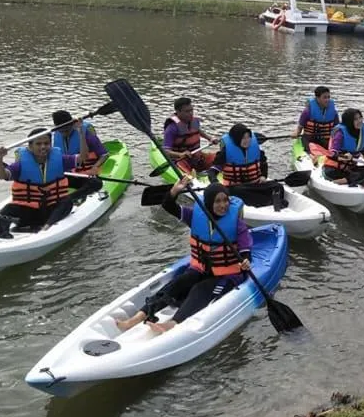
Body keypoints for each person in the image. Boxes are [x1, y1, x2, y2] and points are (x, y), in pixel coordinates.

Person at [115, 180, 252, 334]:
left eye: (225, 200)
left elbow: (246, 251)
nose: (223, 205)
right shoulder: (195, 216)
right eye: (218, 201)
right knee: (178, 283)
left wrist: (246, 261)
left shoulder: (237, 224)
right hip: (200, 269)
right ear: (208, 203)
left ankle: (171, 324)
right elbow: (169, 206)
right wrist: (174, 192)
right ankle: (136, 318)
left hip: (227, 276)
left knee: (199, 289)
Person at [0, 123, 104, 243]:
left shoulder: (60, 159)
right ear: (30, 146)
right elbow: (2, 175)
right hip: (30, 211)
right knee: (8, 209)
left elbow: (83, 158)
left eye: (46, 143)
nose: (43, 147)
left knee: (67, 201)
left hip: (52, 210)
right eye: (38, 144)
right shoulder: (21, 165)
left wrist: (81, 132)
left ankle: (46, 229)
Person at [212, 123, 285, 211]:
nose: (247, 140)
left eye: (248, 137)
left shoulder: (256, 150)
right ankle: (269, 201)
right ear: (237, 139)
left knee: (278, 186)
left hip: (255, 184)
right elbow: (212, 171)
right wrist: (216, 183)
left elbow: (263, 163)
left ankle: (268, 201)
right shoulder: (225, 153)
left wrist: (263, 176)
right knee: (240, 191)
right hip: (235, 188)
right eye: (243, 138)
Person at [162, 97, 218, 172]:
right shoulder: (172, 128)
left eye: (191, 110)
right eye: (187, 111)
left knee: (219, 157)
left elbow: (197, 131)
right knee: (183, 167)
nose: (191, 113)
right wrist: (180, 154)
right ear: (178, 111)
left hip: (197, 157)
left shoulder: (194, 121)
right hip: (181, 160)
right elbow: (166, 151)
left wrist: (210, 138)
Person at [323, 108, 364, 186]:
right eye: (356, 119)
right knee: (330, 173)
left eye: (360, 117)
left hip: (350, 168)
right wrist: (343, 156)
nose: (360, 120)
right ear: (349, 121)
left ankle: (345, 180)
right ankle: (350, 179)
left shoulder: (362, 131)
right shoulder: (340, 133)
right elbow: (331, 153)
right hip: (334, 168)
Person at [51, 109, 108, 175]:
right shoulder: (55, 133)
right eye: (61, 131)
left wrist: (95, 166)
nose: (64, 134)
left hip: (88, 168)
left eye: (66, 131)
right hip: (70, 171)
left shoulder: (86, 131)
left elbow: (104, 155)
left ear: (72, 125)